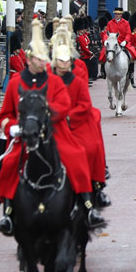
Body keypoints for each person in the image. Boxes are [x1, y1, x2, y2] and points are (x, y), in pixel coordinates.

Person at [0, 19, 105, 234]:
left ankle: (87, 203)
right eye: (37, 59)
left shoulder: (54, 81)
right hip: (26, 135)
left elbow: (64, 105)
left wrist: (46, 116)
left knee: (75, 158)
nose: (41, 63)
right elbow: (5, 114)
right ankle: (8, 211)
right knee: (10, 162)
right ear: (29, 60)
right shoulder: (15, 83)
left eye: (43, 59)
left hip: (53, 132)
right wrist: (11, 127)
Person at [51, 28, 110, 207]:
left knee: (91, 146)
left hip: (73, 116)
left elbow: (83, 101)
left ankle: (96, 185)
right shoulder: (47, 71)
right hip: (51, 120)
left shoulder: (80, 68)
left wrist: (68, 118)